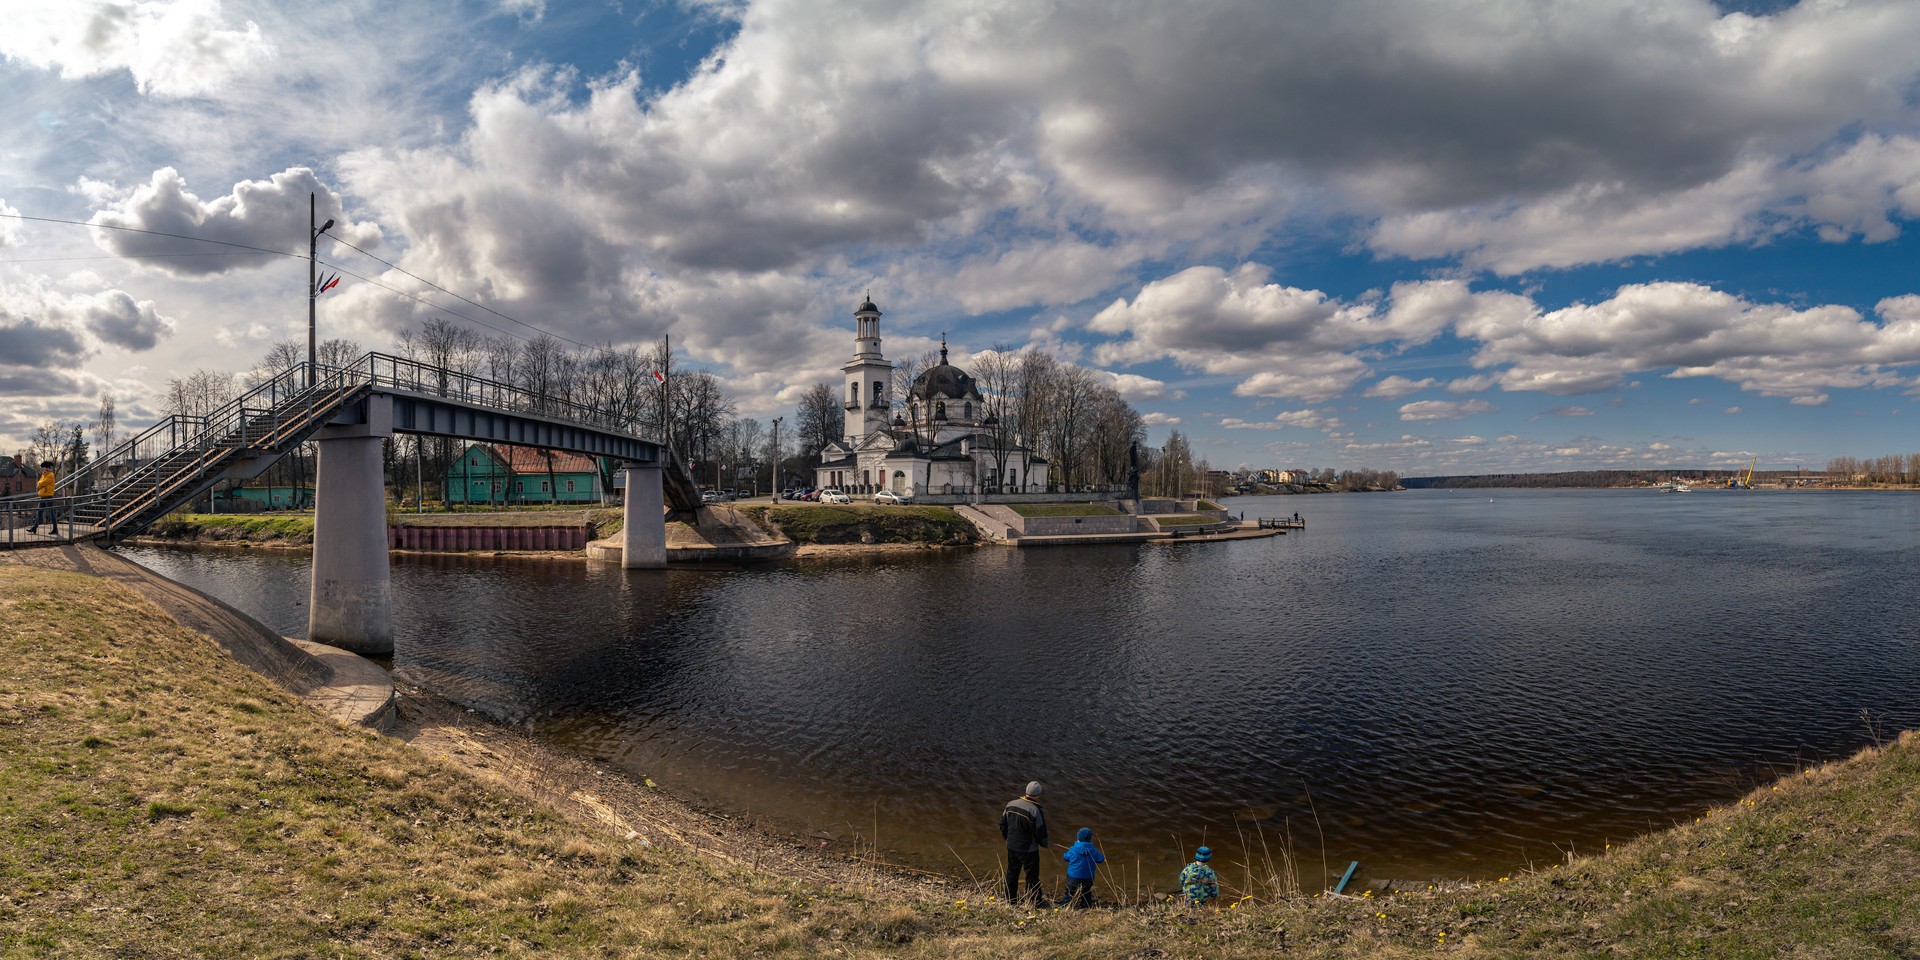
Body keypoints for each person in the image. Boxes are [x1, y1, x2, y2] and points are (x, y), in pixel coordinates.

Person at [999, 780, 1049, 904]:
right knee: (1032, 876)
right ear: (1038, 795)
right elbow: (1041, 831)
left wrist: (1008, 839)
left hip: (1011, 846)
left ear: (1026, 792)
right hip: (1028, 850)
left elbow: (1002, 824)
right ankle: (1034, 901)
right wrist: (1045, 844)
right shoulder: (1035, 810)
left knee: (1012, 873)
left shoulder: (1010, 804)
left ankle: (1010, 900)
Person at [1060, 827, 1105, 908]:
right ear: (1090, 839)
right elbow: (1101, 859)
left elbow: (1065, 857)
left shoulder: (1073, 849)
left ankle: (1065, 905)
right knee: (1086, 892)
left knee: (1070, 891)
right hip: (1088, 876)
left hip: (1073, 876)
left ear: (1078, 838)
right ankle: (1086, 906)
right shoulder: (1093, 851)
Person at [28, 461, 55, 534]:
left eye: (43, 467)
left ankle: (55, 528)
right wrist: (40, 484)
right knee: (39, 513)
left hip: (48, 496)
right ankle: (34, 528)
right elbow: (39, 484)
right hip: (43, 496)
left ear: (46, 467)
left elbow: (42, 483)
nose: (42, 469)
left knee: (51, 512)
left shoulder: (50, 475)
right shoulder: (44, 475)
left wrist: (40, 484)